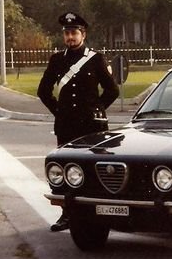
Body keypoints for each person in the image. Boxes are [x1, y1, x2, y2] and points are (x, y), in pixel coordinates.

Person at [38, 12, 119, 232]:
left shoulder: (95, 59)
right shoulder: (57, 60)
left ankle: (100, 213)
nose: (70, 37)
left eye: (74, 33)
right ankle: (68, 215)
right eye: (67, 33)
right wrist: (59, 112)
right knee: (66, 171)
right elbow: (43, 91)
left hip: (91, 125)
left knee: (94, 170)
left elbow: (112, 90)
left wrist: (96, 109)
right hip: (67, 126)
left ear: (83, 34)